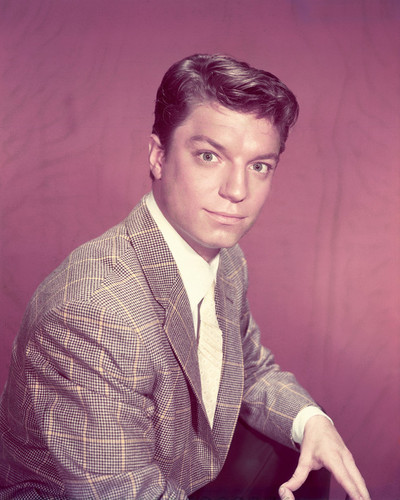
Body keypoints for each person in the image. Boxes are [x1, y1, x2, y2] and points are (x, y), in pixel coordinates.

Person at [0, 54, 369, 500]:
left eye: (259, 166)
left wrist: (312, 421)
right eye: (209, 156)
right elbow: (124, 491)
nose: (237, 191)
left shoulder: (225, 259)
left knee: (307, 444)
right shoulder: (94, 313)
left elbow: (248, 369)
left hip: (179, 467)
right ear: (158, 157)